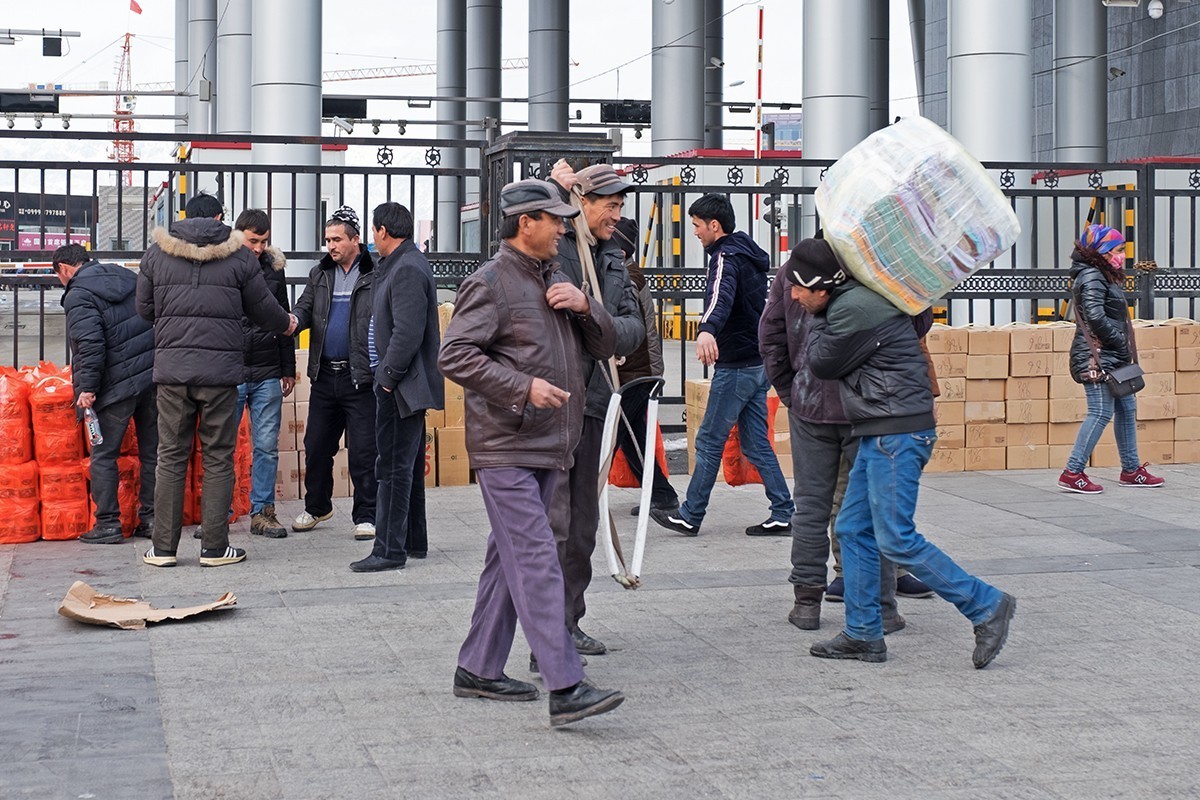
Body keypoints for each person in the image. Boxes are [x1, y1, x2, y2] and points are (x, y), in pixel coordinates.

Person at [440, 179, 625, 727]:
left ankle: (477, 667)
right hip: (507, 446)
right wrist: (523, 387)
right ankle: (566, 684)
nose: (566, 228)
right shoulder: (491, 283)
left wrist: (587, 307)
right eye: (557, 220)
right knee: (539, 556)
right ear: (527, 223)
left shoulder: (558, 277)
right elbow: (454, 355)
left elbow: (611, 344)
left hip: (552, 444)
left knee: (509, 558)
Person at [801, 248, 1015, 668]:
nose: (792, 296)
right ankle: (863, 633)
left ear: (820, 286)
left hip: (896, 432)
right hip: (883, 428)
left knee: (895, 536)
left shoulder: (852, 307)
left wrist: (817, 317)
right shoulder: (852, 300)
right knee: (852, 527)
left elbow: (821, 362)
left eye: (796, 288)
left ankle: (986, 605)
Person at [137, 193, 296, 568]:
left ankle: (162, 549)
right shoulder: (238, 254)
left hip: (173, 373)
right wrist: (286, 324)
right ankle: (213, 548)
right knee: (219, 458)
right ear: (222, 217)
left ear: (183, 217)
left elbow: (144, 309)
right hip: (220, 375)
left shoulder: (157, 252)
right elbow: (262, 307)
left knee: (171, 457)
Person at [759, 239, 903, 632]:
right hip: (865, 408)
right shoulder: (870, 269)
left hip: (812, 406)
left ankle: (807, 603)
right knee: (872, 507)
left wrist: (792, 390)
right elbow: (913, 321)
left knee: (810, 505)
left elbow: (770, 335)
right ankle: (882, 606)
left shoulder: (795, 270)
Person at [545, 161, 645, 658]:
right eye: (610, 205)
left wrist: (590, 312)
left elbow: (631, 330)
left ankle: (568, 620)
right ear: (580, 203)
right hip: (551, 404)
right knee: (550, 523)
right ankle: (547, 632)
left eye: (621, 206)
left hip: (595, 404)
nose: (617, 215)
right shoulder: (554, 246)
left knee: (583, 523)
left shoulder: (614, 257)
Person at [650, 193, 793, 538]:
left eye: (697, 226)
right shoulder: (745, 253)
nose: (695, 233)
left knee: (710, 440)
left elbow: (720, 295)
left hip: (738, 366)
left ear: (715, 225)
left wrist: (706, 330)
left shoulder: (727, 256)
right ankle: (784, 512)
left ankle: (690, 514)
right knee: (756, 443)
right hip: (756, 362)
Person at [352, 202, 443, 573]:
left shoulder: (405, 267)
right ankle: (413, 540)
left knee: (390, 465)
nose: (373, 240)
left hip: (400, 386)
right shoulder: (402, 263)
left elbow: (407, 332)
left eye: (374, 233)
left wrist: (387, 378)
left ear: (383, 232)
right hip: (400, 384)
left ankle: (389, 549)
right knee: (406, 463)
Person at [53, 243, 157, 545]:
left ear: (64, 268)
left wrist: (87, 389)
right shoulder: (126, 277)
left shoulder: (78, 294)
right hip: (150, 375)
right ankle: (151, 520)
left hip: (115, 386)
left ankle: (108, 524)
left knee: (103, 454)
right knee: (153, 452)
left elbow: (90, 345)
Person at [291, 206, 378, 539]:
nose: (331, 245)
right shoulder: (320, 273)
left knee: (364, 450)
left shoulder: (374, 272)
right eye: (327, 239)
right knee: (315, 445)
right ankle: (317, 506)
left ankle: (366, 514)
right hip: (325, 376)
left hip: (361, 377)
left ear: (356, 239)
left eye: (337, 239)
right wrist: (295, 320)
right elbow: (305, 306)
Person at [1058, 224, 1163, 494]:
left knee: (1127, 410)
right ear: (1102, 252)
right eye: (1117, 250)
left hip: (1112, 356)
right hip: (1097, 357)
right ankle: (1073, 471)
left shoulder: (1103, 275)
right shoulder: (1092, 275)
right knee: (1101, 412)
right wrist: (1118, 340)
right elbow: (1094, 316)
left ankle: (1131, 470)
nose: (1122, 256)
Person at [232, 209, 295, 539]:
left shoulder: (273, 268)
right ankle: (221, 511)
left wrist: (288, 368)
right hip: (231, 370)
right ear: (237, 233)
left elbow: (284, 320)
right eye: (253, 240)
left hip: (268, 369)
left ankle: (263, 511)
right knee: (223, 446)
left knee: (267, 446)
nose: (258, 247)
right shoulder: (222, 263)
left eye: (264, 241)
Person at [612, 217, 678, 515]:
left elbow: (629, 331)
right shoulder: (627, 276)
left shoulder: (627, 280)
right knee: (631, 438)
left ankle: (582, 496)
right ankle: (662, 495)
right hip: (638, 373)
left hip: (637, 374)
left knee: (612, 435)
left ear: (621, 253)